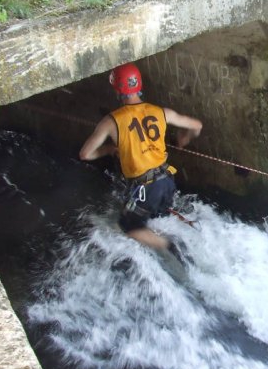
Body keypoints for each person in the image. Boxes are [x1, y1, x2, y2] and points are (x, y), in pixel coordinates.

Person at [79, 62, 202, 255]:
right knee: (157, 212)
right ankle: (173, 231)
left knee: (127, 224)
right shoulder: (162, 112)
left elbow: (85, 154)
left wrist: (110, 149)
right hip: (167, 181)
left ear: (117, 90)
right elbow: (196, 125)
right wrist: (183, 138)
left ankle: (170, 245)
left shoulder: (111, 121)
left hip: (147, 187)